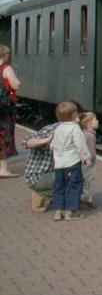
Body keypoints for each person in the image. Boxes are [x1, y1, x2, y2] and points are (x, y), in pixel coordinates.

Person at [50, 101, 91, 221]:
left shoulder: (57, 128)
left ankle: (58, 212)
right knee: (73, 187)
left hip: (58, 165)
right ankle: (70, 212)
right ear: (74, 115)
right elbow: (81, 146)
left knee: (59, 187)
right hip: (72, 163)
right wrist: (86, 158)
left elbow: (52, 145)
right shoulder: (75, 128)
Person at [23, 122, 57, 212]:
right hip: (38, 175)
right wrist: (46, 140)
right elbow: (26, 141)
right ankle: (40, 193)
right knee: (68, 179)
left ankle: (46, 194)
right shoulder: (53, 129)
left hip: (51, 173)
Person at [0, 44, 21, 178]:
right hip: (4, 109)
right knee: (4, 137)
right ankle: (3, 169)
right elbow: (15, 85)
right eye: (8, 54)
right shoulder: (6, 68)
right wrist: (17, 82)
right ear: (4, 55)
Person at [79, 111, 98, 210]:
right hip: (86, 162)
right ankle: (83, 200)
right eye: (95, 120)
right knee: (86, 181)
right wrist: (86, 161)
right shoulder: (87, 135)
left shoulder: (90, 134)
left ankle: (88, 199)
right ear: (89, 123)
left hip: (91, 161)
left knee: (89, 181)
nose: (97, 121)